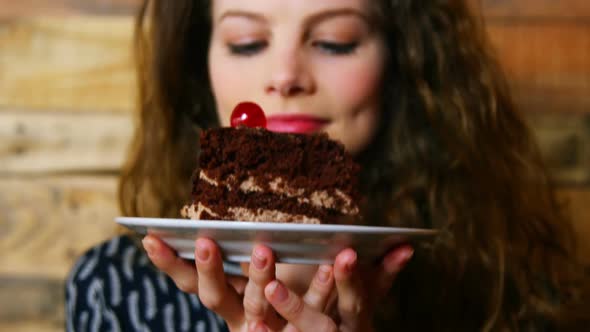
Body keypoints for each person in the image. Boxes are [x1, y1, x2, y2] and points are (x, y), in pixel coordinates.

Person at [66, 0, 590, 331]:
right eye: (247, 42)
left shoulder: (505, 289)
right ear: (198, 64)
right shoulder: (114, 291)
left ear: (401, 61)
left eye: (335, 40)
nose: (287, 76)